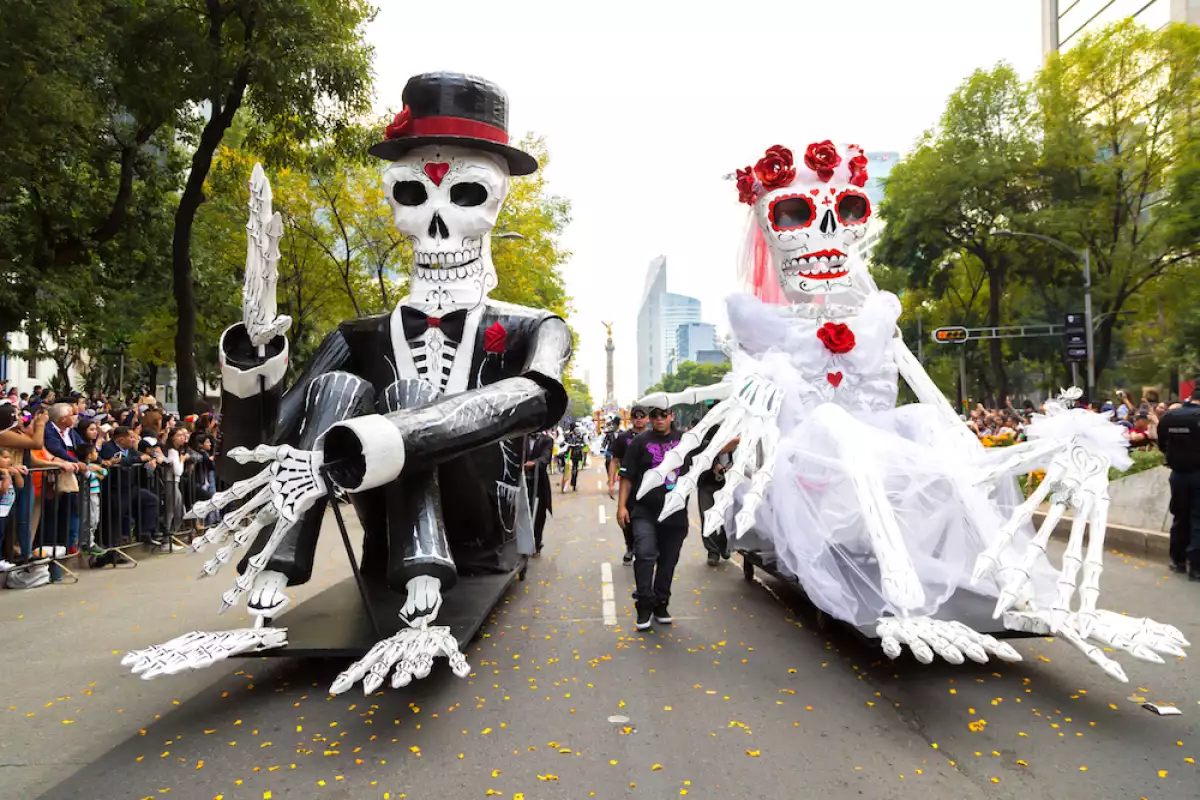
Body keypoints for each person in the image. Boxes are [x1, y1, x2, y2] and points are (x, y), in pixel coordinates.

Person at [618, 405, 692, 631]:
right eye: (654, 416)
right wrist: (621, 506)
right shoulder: (640, 442)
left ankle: (661, 603)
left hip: (675, 512)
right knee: (645, 554)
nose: (658, 419)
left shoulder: (687, 440)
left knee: (668, 561)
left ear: (672, 416)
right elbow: (627, 476)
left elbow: (715, 448)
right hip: (645, 511)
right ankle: (644, 604)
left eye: (663, 415)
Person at [1159, 384, 1200, 580]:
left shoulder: (1170, 416)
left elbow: (1161, 443)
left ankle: (1178, 560)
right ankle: (1196, 566)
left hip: (1178, 475)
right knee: (1198, 519)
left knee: (1179, 515)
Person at [100, 426, 163, 547]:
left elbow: (141, 458)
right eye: (131, 437)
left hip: (132, 487)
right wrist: (138, 459)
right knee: (116, 517)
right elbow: (115, 461)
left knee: (151, 500)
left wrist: (150, 461)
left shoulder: (130, 449)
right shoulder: (108, 447)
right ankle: (113, 550)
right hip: (115, 489)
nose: (134, 440)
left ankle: (145, 532)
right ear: (121, 440)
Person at [608, 405, 649, 565]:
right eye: (635, 417)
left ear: (647, 418)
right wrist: (611, 482)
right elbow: (615, 460)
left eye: (642, 416)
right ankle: (630, 546)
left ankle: (644, 547)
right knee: (627, 517)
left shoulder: (654, 436)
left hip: (650, 484)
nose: (639, 419)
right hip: (629, 483)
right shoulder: (623, 438)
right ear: (631, 419)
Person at [523, 429, 554, 556]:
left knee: (539, 514)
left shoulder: (547, 440)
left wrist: (534, 463)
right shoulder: (521, 438)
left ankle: (537, 542)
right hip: (522, 481)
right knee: (523, 512)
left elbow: (546, 458)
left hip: (539, 482)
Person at [561, 425, 585, 492]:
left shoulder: (578, 435)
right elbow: (563, 443)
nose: (577, 429)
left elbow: (583, 444)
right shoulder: (568, 435)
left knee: (573, 469)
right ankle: (569, 485)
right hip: (570, 454)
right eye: (575, 428)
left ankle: (572, 485)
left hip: (574, 454)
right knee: (569, 469)